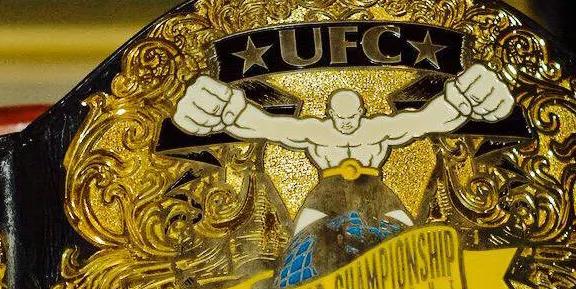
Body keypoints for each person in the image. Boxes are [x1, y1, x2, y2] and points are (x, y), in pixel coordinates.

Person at [173, 64, 514, 234]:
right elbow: (266, 127)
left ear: (363, 112)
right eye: (340, 117)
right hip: (326, 193)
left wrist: (464, 98)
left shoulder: (379, 129)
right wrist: (226, 109)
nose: (347, 124)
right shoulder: (315, 132)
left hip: (376, 191)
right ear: (330, 113)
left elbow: (426, 120)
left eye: (353, 117)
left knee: (411, 244)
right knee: (298, 248)